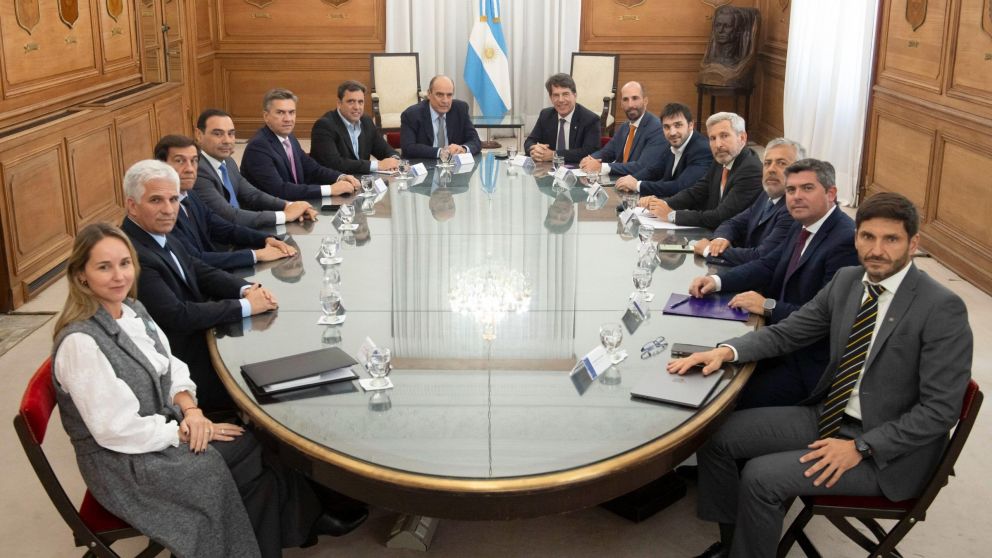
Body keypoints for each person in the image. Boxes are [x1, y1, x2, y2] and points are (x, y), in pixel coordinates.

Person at [669, 192, 972, 558]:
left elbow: (941, 410)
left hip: (887, 451)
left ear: (913, 244)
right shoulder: (848, 280)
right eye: (867, 237)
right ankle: (736, 543)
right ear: (856, 237)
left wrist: (862, 447)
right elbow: (791, 331)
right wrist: (726, 350)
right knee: (715, 435)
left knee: (761, 477)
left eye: (890, 239)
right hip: (829, 414)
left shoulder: (941, 307)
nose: (876, 250)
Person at [51, 223, 364, 558]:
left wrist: (192, 411)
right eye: (104, 267)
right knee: (248, 454)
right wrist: (185, 432)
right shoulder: (81, 344)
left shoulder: (131, 310)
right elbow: (115, 430)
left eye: (124, 263)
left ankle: (288, 531)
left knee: (253, 450)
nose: (118, 276)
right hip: (125, 463)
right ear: (81, 275)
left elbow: (172, 366)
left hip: (161, 431)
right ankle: (293, 527)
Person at [687, 159, 858, 408]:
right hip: (775, 337)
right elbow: (768, 265)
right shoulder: (802, 223)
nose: (796, 197)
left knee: (722, 397)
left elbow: (824, 320)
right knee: (700, 359)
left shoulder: (843, 240)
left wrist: (768, 305)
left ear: (831, 193)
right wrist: (716, 280)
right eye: (791, 190)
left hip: (804, 361)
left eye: (807, 188)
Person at [122, 159, 279, 411]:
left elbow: (196, 267)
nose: (168, 209)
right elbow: (178, 315)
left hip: (201, 338)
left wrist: (244, 288)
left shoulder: (157, 233)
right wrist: (245, 306)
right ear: (132, 205)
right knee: (268, 389)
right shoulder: (133, 253)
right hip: (184, 364)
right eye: (156, 200)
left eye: (173, 200)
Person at [154, 135, 297, 270]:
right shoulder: (161, 211)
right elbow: (194, 259)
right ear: (160, 165)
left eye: (194, 161)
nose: (190, 169)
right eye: (180, 161)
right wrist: (256, 255)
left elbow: (223, 228)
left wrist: (265, 239)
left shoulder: (189, 194)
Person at [193, 109, 318, 228]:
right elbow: (230, 216)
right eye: (218, 134)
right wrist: (285, 215)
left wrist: (289, 205)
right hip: (221, 244)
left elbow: (253, 195)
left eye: (231, 134)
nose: (227, 140)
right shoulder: (197, 171)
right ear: (199, 135)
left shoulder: (228, 161)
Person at [638, 112, 762, 228]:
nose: (718, 144)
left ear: (742, 138)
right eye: (712, 138)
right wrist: (661, 204)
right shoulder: (721, 159)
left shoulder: (750, 170)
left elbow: (721, 216)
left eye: (724, 136)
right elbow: (696, 192)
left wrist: (672, 215)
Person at [692, 138, 803, 265]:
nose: (771, 169)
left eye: (781, 163)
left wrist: (709, 250)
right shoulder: (766, 194)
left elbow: (761, 256)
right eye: (767, 163)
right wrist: (721, 238)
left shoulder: (793, 209)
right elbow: (734, 223)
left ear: (799, 171)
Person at [241, 88, 358, 201]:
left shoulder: (289, 138)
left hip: (295, 205)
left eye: (291, 112)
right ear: (266, 116)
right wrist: (330, 189)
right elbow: (279, 190)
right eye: (280, 112)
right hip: (269, 215)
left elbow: (312, 168)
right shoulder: (258, 147)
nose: (288, 119)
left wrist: (340, 177)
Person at [615, 103, 713, 197]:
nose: (672, 132)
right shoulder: (673, 143)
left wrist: (637, 185)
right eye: (666, 127)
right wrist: (632, 179)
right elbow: (654, 170)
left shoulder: (702, 150)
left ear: (691, 125)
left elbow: (680, 187)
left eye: (678, 125)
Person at [579, 81, 666, 179]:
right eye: (625, 99)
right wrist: (590, 159)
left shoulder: (657, 128)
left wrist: (601, 167)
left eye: (635, 98)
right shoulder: (624, 126)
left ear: (645, 101)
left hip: (642, 186)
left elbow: (643, 166)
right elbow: (607, 152)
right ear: (621, 104)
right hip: (619, 182)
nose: (630, 104)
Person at [310, 80, 399, 175]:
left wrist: (394, 160)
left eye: (360, 102)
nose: (357, 107)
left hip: (361, 181)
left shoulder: (366, 121)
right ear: (339, 104)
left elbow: (384, 149)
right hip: (334, 183)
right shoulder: (324, 125)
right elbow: (334, 163)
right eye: (351, 102)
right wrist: (377, 165)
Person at [524, 73, 601, 164]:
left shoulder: (591, 119)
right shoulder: (546, 114)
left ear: (575, 95)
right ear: (551, 98)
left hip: (575, 169)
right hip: (547, 169)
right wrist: (534, 150)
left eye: (565, 94)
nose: (561, 100)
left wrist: (554, 155)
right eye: (556, 95)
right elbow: (529, 141)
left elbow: (589, 151)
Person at [400, 75, 482, 159]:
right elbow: (408, 148)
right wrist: (441, 152)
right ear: (429, 94)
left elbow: (475, 141)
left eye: (449, 95)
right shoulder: (411, 115)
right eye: (439, 95)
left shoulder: (460, 109)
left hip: (454, 168)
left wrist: (463, 149)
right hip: (426, 166)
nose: (445, 100)